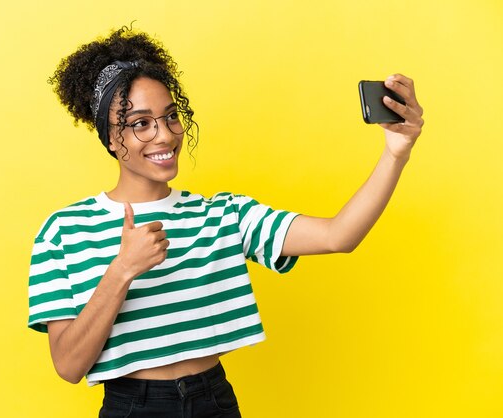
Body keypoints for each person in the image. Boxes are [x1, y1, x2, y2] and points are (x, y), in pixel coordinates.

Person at [28, 26, 424, 418]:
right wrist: (122, 269)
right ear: (112, 138)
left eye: (170, 117)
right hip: (133, 406)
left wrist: (396, 153)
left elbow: (339, 235)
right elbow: (68, 366)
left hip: (212, 400)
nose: (165, 135)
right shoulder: (64, 231)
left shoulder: (222, 216)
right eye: (141, 123)